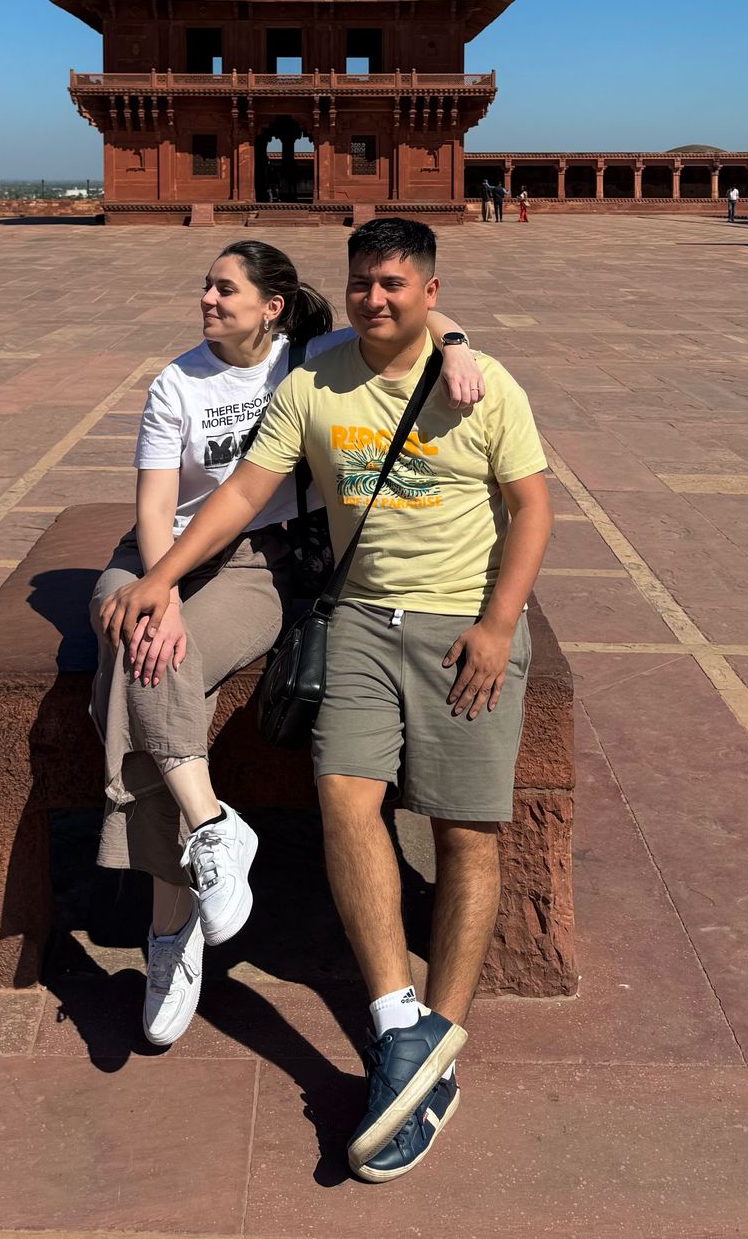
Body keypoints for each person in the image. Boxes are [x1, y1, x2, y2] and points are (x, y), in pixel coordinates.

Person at [103, 218, 553, 1181]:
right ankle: (397, 1018)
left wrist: (500, 625)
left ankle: (442, 1035)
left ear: (431, 292)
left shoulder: (484, 383)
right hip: (357, 621)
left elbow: (534, 507)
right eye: (361, 284)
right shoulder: (312, 379)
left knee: (469, 832)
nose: (375, 299)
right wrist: (163, 578)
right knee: (346, 799)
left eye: (395, 284)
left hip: (459, 625)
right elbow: (238, 494)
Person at [88, 240, 481, 1054]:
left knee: (140, 672)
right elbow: (156, 503)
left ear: (272, 306)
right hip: (156, 553)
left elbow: (404, 312)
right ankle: (211, 833)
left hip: (253, 563)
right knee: (135, 640)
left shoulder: (305, 360)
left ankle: (170, 928)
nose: (205, 298)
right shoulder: (176, 382)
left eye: (223, 288)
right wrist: (158, 588)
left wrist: (459, 345)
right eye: (203, 284)